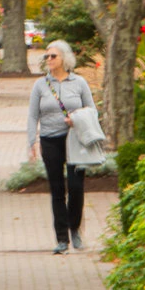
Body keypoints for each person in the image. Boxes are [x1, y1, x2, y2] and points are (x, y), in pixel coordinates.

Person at [26, 41, 98, 253]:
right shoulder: (40, 85)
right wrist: (32, 141)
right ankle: (62, 238)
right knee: (57, 189)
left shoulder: (79, 83)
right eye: (47, 57)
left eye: (53, 56)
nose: (49, 60)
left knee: (76, 187)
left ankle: (74, 228)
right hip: (50, 139)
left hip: (75, 139)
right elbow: (32, 115)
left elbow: (92, 110)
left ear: (64, 59)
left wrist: (75, 119)